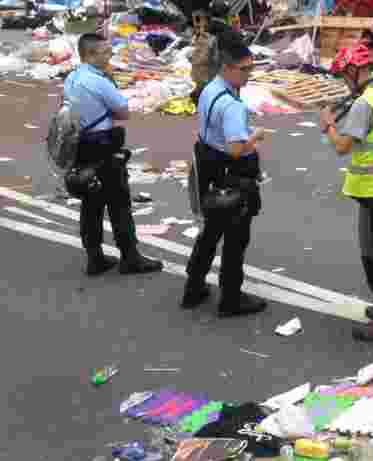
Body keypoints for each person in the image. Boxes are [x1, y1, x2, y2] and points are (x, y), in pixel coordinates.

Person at [320, 43, 373, 340]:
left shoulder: (364, 104)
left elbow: (342, 147)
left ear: (354, 71)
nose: (344, 81)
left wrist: (328, 126)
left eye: (344, 75)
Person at [181, 32, 268, 316]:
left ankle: (193, 287)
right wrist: (255, 137)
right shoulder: (232, 106)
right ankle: (231, 298)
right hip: (230, 173)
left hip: (208, 165)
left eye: (251, 68)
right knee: (234, 239)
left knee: (209, 232)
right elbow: (235, 149)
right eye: (244, 69)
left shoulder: (210, 89)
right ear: (227, 67)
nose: (249, 75)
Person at [63, 34, 164, 276]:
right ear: (90, 55)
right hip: (103, 147)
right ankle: (130, 257)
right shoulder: (98, 81)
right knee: (119, 202)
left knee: (91, 203)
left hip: (81, 146)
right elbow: (123, 111)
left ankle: (94, 257)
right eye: (105, 52)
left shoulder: (72, 77)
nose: (110, 56)